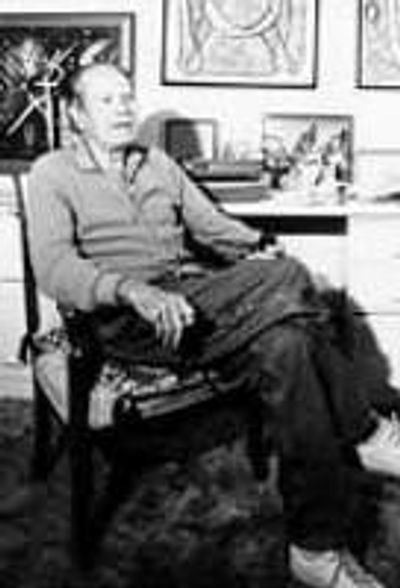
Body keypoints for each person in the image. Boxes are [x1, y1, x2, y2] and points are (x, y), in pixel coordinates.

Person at [27, 63, 400, 588]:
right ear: (77, 114)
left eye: (127, 97)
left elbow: (212, 225)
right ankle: (365, 430)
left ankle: (314, 552)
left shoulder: (156, 162)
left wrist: (259, 246)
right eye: (106, 100)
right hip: (125, 319)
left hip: (192, 302)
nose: (123, 108)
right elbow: (53, 268)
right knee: (293, 282)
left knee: (288, 343)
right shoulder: (52, 173)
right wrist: (132, 290)